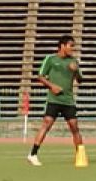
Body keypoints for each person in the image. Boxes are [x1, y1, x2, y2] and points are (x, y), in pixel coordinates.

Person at [26, 34, 87, 168]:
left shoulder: (73, 61)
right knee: (46, 125)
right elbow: (40, 76)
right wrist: (52, 86)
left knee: (74, 127)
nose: (72, 49)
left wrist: (76, 71)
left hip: (68, 100)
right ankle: (33, 154)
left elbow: (80, 80)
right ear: (62, 46)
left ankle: (80, 156)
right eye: (71, 46)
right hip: (54, 99)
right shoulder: (50, 59)